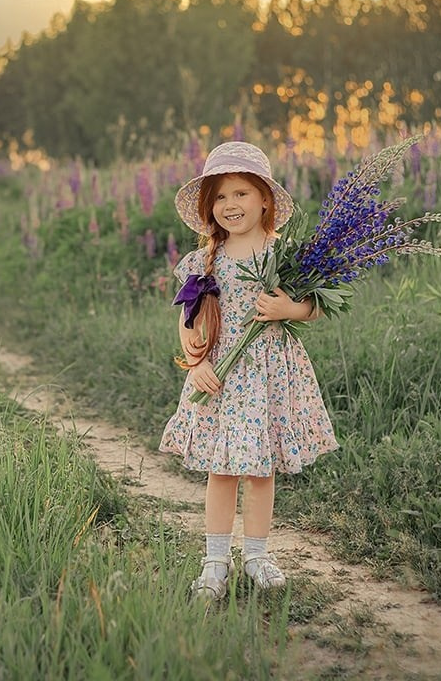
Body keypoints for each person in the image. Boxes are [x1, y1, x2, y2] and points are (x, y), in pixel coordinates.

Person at [159, 141, 339, 600]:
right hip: (221, 376)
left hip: (271, 375)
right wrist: (195, 361)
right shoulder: (206, 260)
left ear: (265, 199)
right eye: (220, 196)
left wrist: (289, 308)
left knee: (262, 472)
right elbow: (188, 319)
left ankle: (257, 554)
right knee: (222, 470)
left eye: (240, 193)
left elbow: (316, 307)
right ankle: (215, 560)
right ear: (208, 207)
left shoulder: (286, 254)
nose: (230, 205)